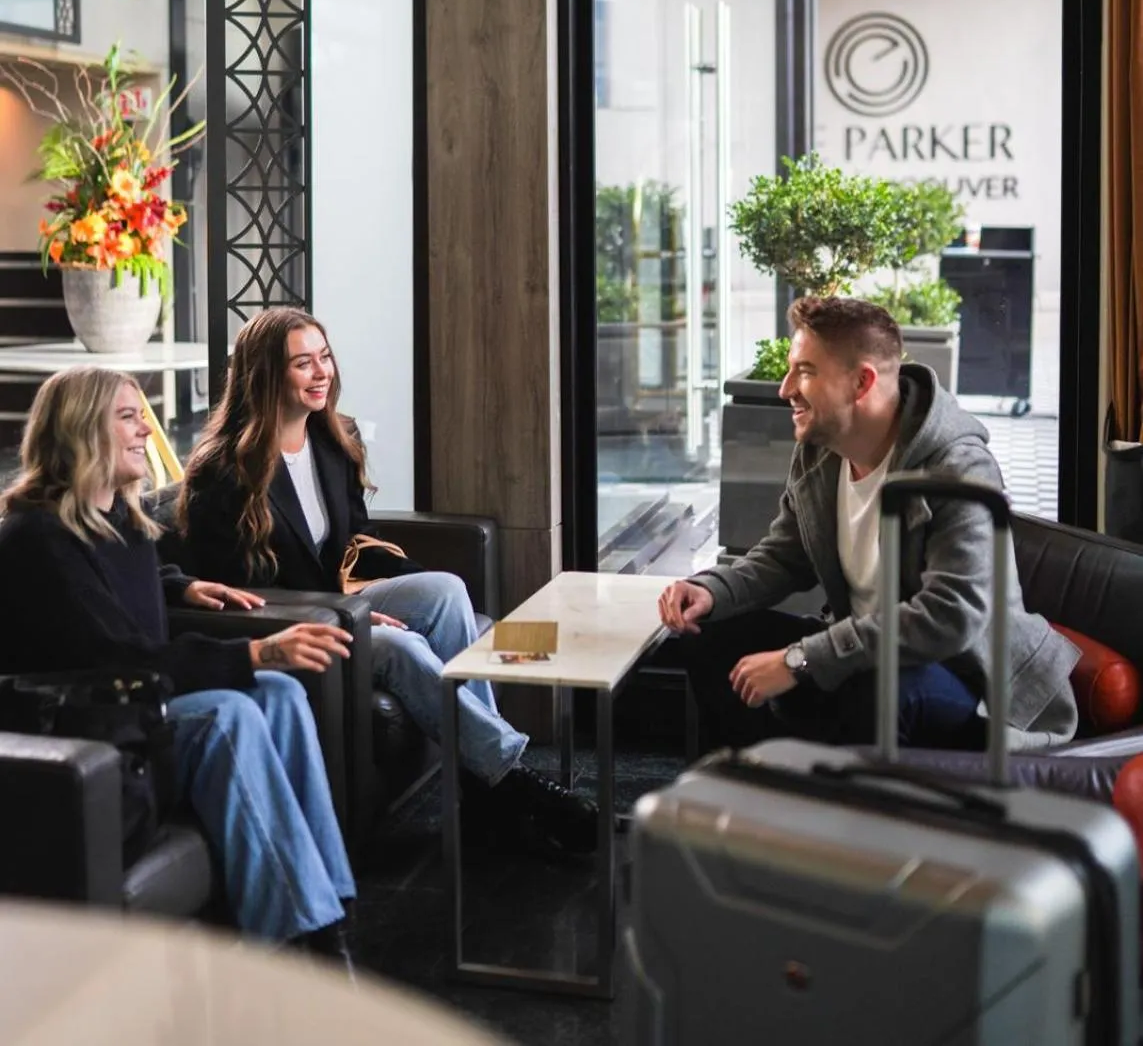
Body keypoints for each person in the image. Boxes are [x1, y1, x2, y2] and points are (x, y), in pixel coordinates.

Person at [177, 308, 596, 855]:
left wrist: (409, 589)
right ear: (265, 376)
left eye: (324, 357)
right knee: (399, 645)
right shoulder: (223, 471)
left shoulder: (330, 441)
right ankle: (508, 783)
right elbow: (241, 591)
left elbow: (358, 542)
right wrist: (350, 614)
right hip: (293, 623)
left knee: (446, 590)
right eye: (303, 363)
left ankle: (484, 791)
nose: (321, 372)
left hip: (338, 602)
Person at [0, 367, 358, 964]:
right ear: (80, 430)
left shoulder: (125, 525)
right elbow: (120, 656)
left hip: (145, 706)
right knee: (229, 713)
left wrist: (179, 586)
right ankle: (301, 939)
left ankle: (334, 907)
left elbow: (125, 607)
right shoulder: (35, 540)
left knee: (283, 695)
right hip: (91, 731)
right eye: (127, 416)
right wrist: (256, 649)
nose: (147, 428)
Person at [660, 296, 1080, 754]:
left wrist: (801, 659)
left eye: (805, 371)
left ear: (861, 382)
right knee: (711, 632)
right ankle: (756, 791)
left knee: (876, 687)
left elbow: (951, 614)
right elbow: (785, 556)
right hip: (866, 653)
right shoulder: (820, 451)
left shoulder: (958, 467)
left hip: (969, 678)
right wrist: (712, 590)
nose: (784, 389)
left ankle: (854, 817)